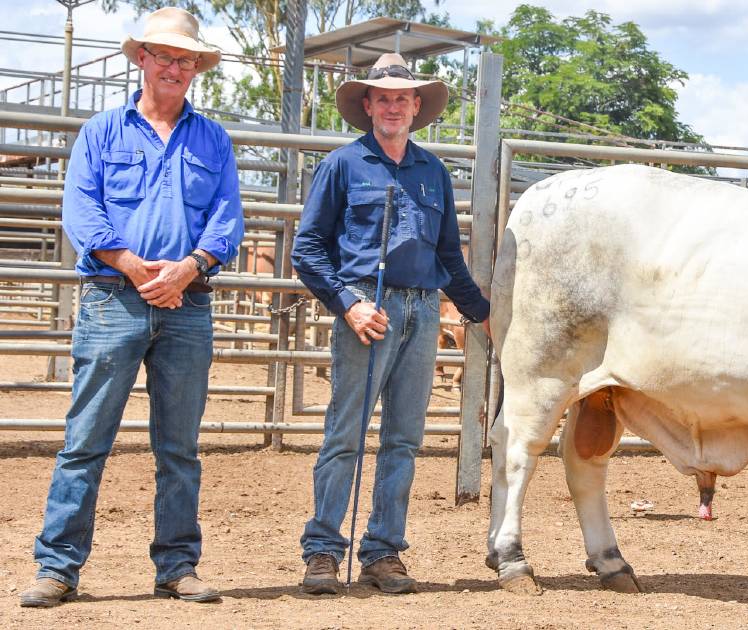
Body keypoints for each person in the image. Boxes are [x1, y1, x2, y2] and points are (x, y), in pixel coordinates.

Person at [19, 7, 244, 607]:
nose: (175, 66)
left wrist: (190, 267)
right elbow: (82, 209)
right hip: (114, 296)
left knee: (180, 447)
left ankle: (176, 565)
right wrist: (135, 266)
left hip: (187, 302)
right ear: (141, 58)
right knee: (86, 439)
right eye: (165, 56)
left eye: (186, 59)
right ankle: (58, 566)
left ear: (196, 68)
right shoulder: (100, 131)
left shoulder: (213, 138)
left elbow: (226, 218)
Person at [292, 53, 489, 595]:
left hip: (422, 310)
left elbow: (449, 254)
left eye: (403, 97)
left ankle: (383, 551)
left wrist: (480, 312)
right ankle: (324, 550)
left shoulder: (434, 172)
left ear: (417, 106)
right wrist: (348, 305)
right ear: (368, 106)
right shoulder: (343, 165)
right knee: (345, 434)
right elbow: (307, 250)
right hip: (366, 309)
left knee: (404, 437)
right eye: (383, 97)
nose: (393, 105)